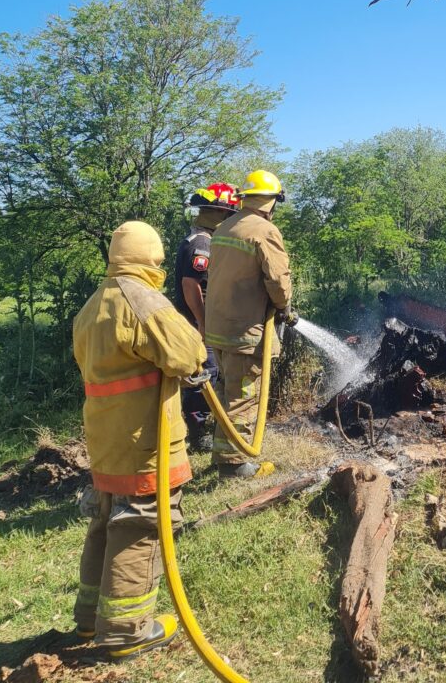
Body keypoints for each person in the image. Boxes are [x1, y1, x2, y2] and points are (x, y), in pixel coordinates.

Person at [71, 221, 207, 659]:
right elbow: (188, 353)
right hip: (143, 439)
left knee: (105, 520)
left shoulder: (93, 306)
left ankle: (91, 619)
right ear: (150, 257)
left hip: (106, 437)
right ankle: (127, 631)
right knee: (140, 523)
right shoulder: (141, 299)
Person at [204, 169, 295, 478]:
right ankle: (234, 466)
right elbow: (279, 282)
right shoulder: (265, 231)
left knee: (226, 393)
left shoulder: (223, 227)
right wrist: (283, 307)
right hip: (246, 330)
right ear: (272, 201)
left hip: (218, 329)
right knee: (244, 397)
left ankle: (220, 454)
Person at [173, 183, 241, 452]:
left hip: (203, 322)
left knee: (208, 375)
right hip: (198, 324)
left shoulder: (201, 239)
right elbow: (192, 286)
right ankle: (198, 434)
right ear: (219, 213)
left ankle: (204, 429)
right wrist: (202, 322)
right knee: (205, 375)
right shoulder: (202, 243)